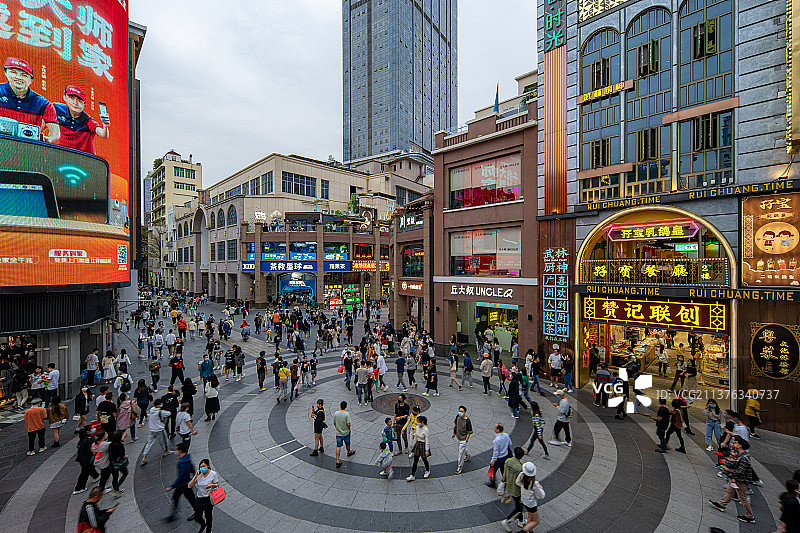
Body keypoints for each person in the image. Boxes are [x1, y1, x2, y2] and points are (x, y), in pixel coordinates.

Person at [709, 435, 757, 523]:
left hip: (741, 481)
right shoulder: (740, 454)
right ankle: (721, 504)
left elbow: (740, 471)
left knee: (742, 498)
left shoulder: (744, 458)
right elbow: (735, 464)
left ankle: (750, 516)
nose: (733, 444)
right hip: (735, 478)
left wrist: (727, 469)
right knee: (729, 490)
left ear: (740, 445)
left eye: (735, 443)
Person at [54, 84, 109, 154]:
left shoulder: (88, 121)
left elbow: (103, 134)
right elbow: (46, 119)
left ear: (84, 105)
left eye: (79, 101)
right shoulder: (57, 108)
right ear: (64, 97)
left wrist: (105, 126)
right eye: (71, 98)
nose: (75, 103)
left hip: (85, 159)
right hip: (64, 155)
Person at [165, 442, 196, 522]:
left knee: (189, 498)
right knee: (179, 497)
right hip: (186, 484)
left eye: (177, 450)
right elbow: (192, 469)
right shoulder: (187, 458)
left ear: (181, 451)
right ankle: (173, 514)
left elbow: (181, 477)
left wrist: (172, 486)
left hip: (183, 485)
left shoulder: (182, 463)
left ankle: (197, 512)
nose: (176, 451)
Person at [187, 459, 219, 533]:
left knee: (208, 516)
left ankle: (208, 529)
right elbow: (189, 485)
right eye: (200, 467)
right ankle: (203, 524)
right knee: (197, 516)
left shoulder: (213, 474)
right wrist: (195, 476)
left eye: (204, 466)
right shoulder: (199, 475)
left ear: (208, 466)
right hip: (199, 499)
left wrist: (211, 485)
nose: (202, 468)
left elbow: (216, 485)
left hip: (208, 499)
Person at [500, 447, 525, 532]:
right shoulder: (520, 468)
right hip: (516, 490)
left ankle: (521, 521)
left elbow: (504, 474)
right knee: (519, 507)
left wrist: (503, 484)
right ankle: (507, 520)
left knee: (519, 506)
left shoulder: (508, 461)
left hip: (508, 487)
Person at [141, 398, 173, 465]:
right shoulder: (160, 412)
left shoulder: (151, 410)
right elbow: (169, 413)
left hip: (152, 429)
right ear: (159, 405)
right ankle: (166, 451)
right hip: (159, 429)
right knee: (164, 441)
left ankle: (144, 456)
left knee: (149, 443)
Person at [516, 461, 546, 532]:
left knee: (530, 516)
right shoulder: (534, 484)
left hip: (524, 500)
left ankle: (530, 530)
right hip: (531, 504)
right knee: (536, 521)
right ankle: (523, 531)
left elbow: (517, 482)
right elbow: (541, 496)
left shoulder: (521, 476)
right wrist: (540, 488)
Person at [72, 427, 99, 494]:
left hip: (82, 458)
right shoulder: (89, 439)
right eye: (91, 428)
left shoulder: (83, 438)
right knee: (84, 472)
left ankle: (96, 476)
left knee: (89, 468)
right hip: (86, 458)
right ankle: (79, 488)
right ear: (88, 431)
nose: (93, 429)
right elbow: (92, 448)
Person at [406, 415, 431, 481]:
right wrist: (414, 445)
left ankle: (427, 470)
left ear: (422, 422)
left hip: (423, 444)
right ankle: (412, 475)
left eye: (418, 422)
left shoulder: (426, 429)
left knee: (424, 459)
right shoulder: (417, 427)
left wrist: (427, 450)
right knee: (415, 460)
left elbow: (427, 440)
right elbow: (416, 436)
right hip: (418, 444)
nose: (417, 423)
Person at [488, 423, 513, 488]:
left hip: (499, 458)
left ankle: (492, 483)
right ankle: (505, 482)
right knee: (503, 470)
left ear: (498, 430)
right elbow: (510, 443)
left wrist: (493, 460)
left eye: (495, 428)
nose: (494, 428)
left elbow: (496, 452)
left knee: (493, 470)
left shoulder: (497, 440)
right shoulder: (506, 435)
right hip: (505, 456)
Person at [333, 401, 355, 468]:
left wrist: (337, 428)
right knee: (347, 443)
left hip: (338, 432)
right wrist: (348, 429)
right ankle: (348, 451)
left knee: (338, 446)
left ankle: (337, 460)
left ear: (340, 406)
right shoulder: (347, 414)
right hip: (346, 432)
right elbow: (348, 424)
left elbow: (334, 422)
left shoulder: (336, 413)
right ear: (346, 406)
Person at [107, 430, 129, 497]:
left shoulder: (111, 444)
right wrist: (125, 456)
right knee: (125, 473)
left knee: (115, 477)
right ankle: (117, 487)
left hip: (112, 463)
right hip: (119, 463)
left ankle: (116, 489)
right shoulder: (119, 445)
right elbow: (121, 454)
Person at [453, 405, 473, 474]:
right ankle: (467, 455)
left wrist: (466, 440)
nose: (460, 412)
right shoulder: (457, 417)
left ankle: (459, 466)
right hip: (458, 437)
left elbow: (469, 432)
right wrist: (454, 433)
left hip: (463, 439)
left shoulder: (467, 421)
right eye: (459, 411)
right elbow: (455, 425)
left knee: (461, 454)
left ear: (465, 412)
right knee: (463, 450)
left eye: (462, 411)